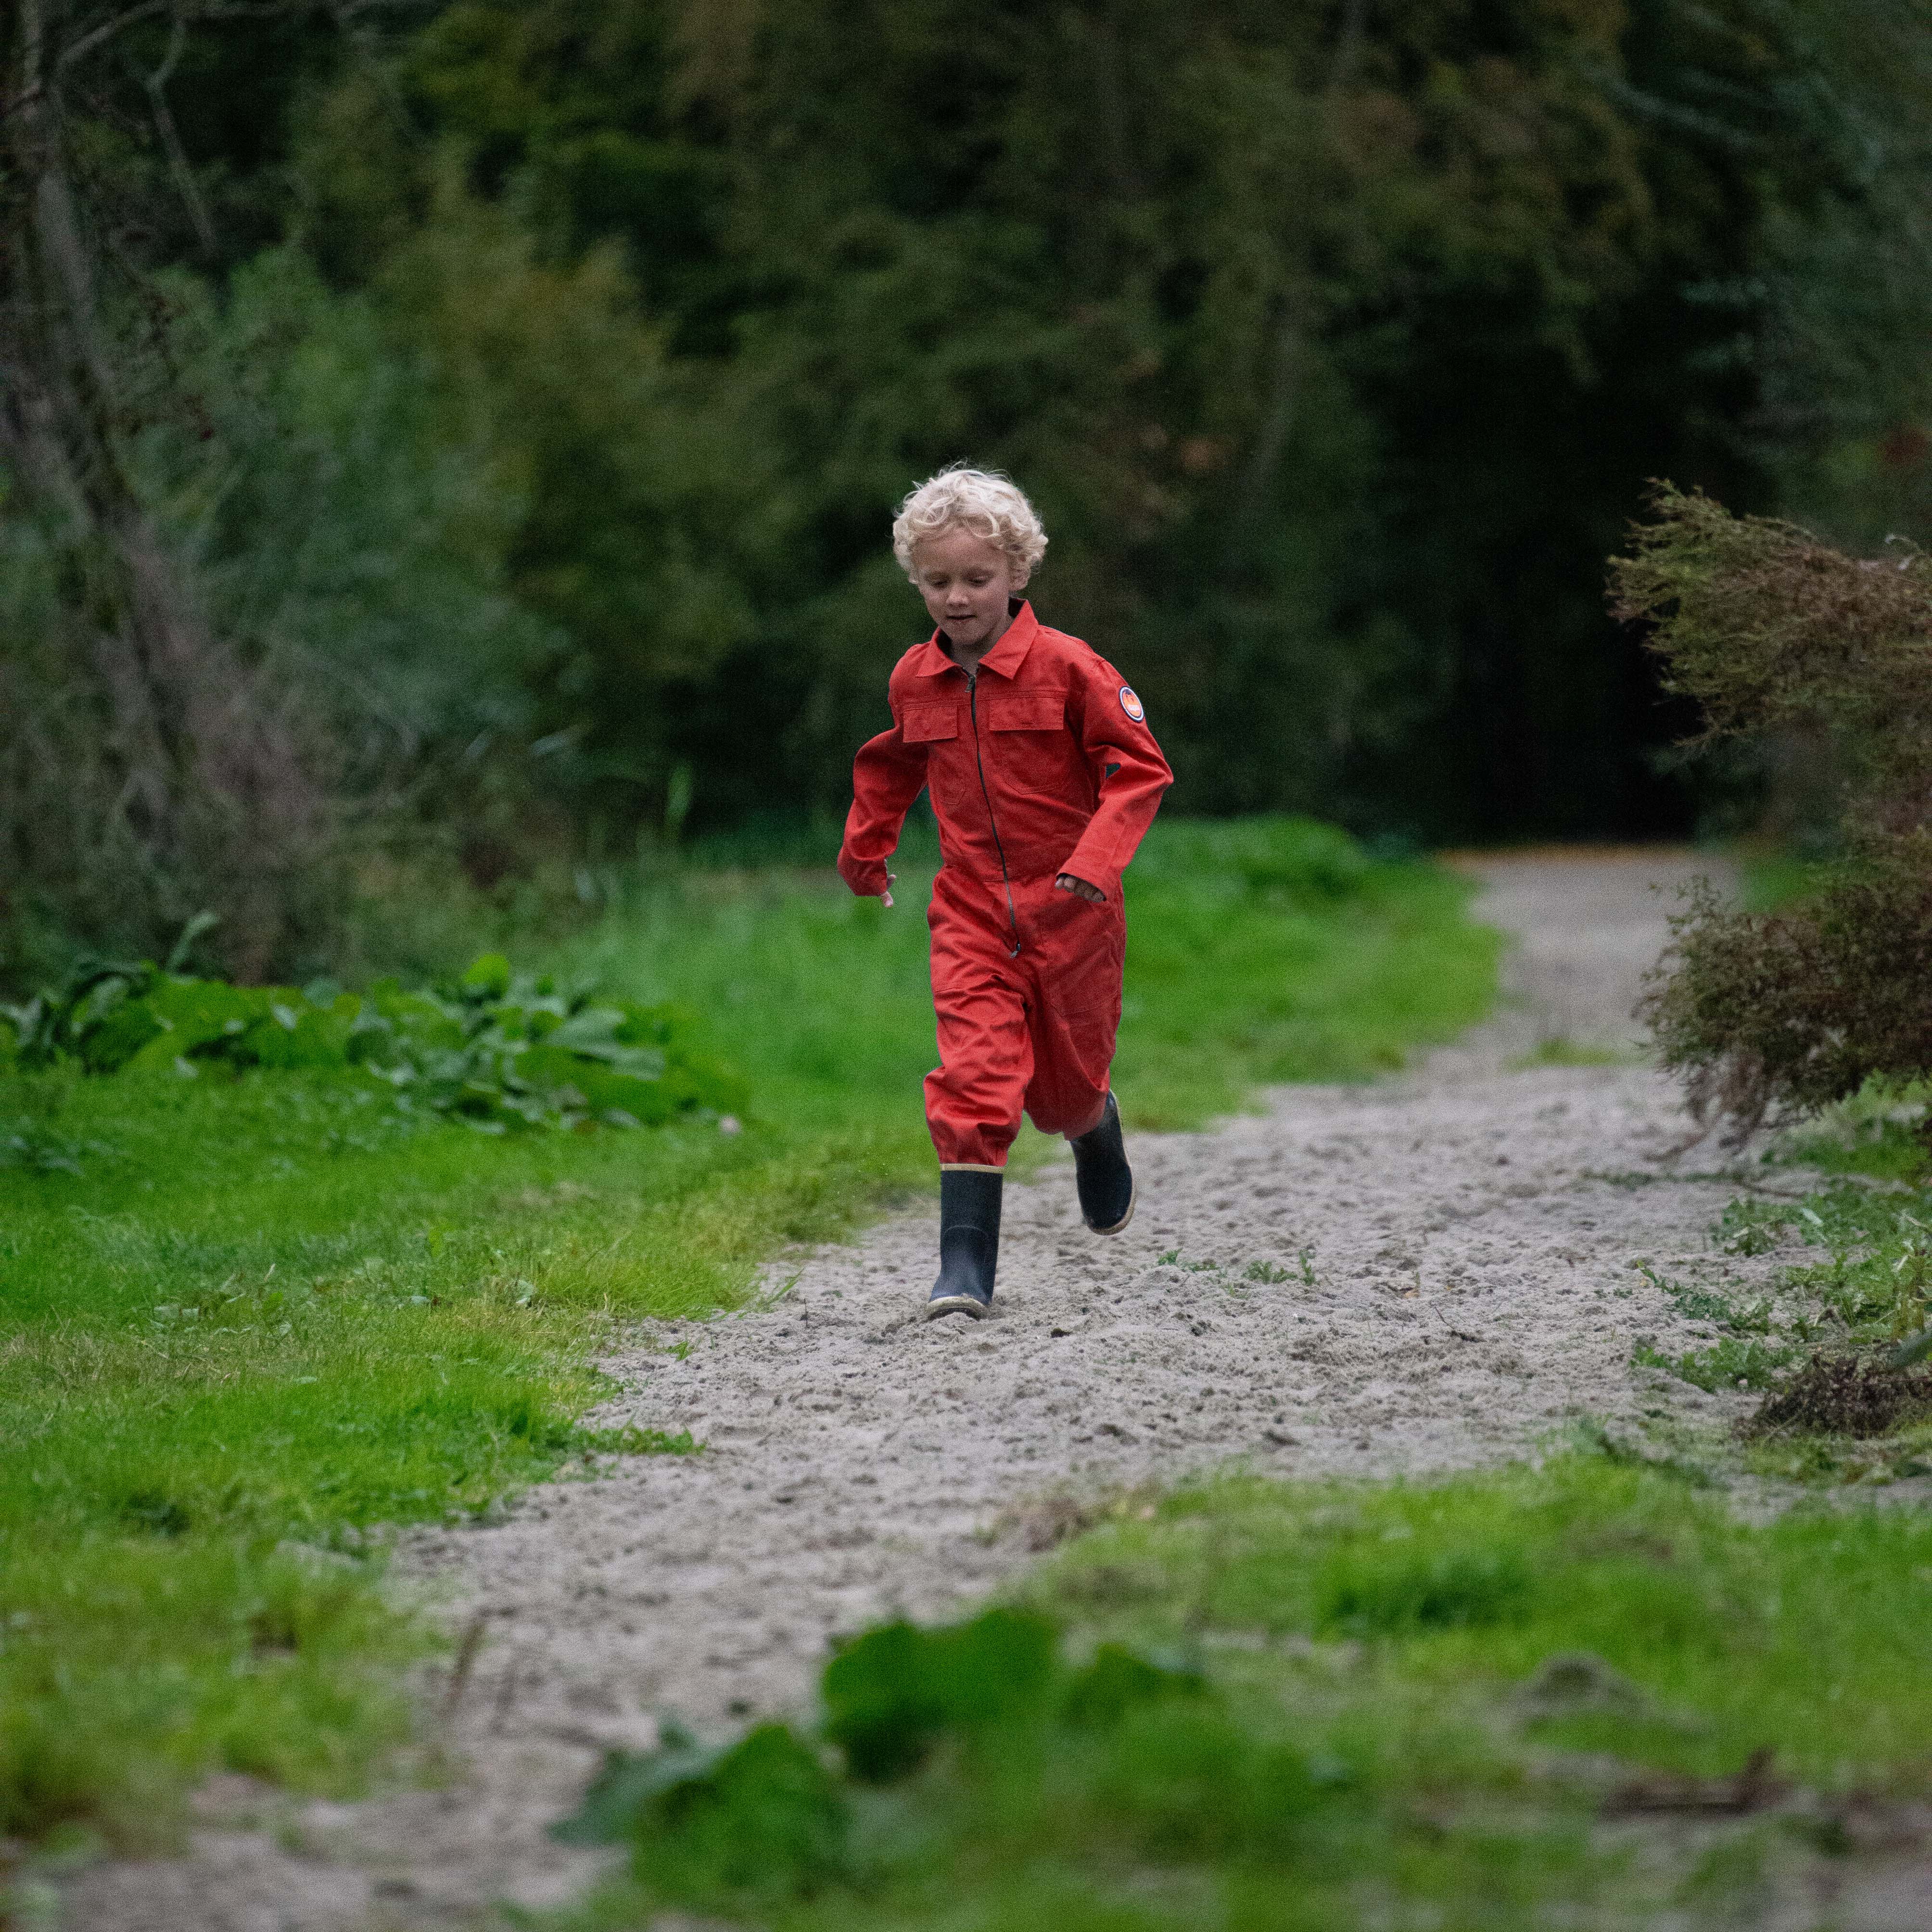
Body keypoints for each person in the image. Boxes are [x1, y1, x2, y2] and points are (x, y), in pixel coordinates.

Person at [837, 466, 1172, 1320]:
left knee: (1061, 1090)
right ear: (917, 583)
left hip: (1073, 910)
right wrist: (867, 851)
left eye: (976, 579)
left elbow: (1138, 771)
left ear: (1017, 575)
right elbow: (893, 763)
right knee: (976, 1073)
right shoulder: (916, 679)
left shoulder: (1069, 668)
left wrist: (1093, 868)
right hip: (974, 908)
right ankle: (963, 1268)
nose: (957, 598)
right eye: (938, 581)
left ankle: (1093, 1123)